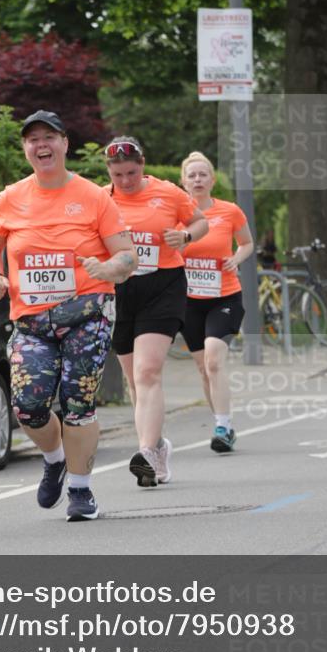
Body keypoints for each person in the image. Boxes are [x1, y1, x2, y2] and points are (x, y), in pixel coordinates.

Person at [0, 110, 137, 522]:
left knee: (78, 403)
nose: (41, 145)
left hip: (88, 313)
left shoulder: (93, 196)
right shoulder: (11, 197)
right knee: (28, 406)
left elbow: (127, 255)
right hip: (32, 321)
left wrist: (110, 269)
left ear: (65, 143)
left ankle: (82, 492)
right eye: (32, 139)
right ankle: (54, 459)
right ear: (25, 149)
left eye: (49, 137)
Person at [103, 136, 208, 487]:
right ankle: (158, 447)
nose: (126, 181)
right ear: (109, 172)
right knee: (135, 381)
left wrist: (186, 238)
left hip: (163, 285)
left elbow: (200, 222)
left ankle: (146, 452)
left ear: (143, 165)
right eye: (118, 175)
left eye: (132, 172)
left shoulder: (168, 193)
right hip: (120, 291)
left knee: (148, 371)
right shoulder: (101, 200)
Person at [180, 151, 253, 453]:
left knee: (213, 358)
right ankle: (223, 423)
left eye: (203, 174)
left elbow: (247, 243)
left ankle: (222, 425)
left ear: (212, 179)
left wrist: (236, 259)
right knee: (202, 367)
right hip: (188, 300)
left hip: (224, 296)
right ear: (183, 181)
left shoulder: (230, 211)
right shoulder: (176, 215)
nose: (198, 180)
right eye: (192, 175)